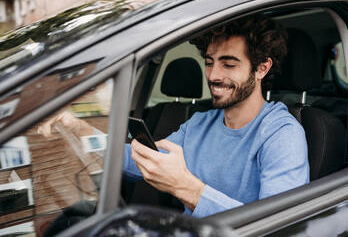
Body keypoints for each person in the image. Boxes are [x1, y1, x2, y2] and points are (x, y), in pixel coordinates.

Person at [38, 15, 309, 218]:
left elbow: (281, 225)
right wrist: (78, 129)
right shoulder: (199, 124)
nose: (213, 76)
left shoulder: (282, 135)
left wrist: (186, 187)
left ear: (261, 68)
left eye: (228, 64)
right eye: (209, 62)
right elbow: (143, 161)